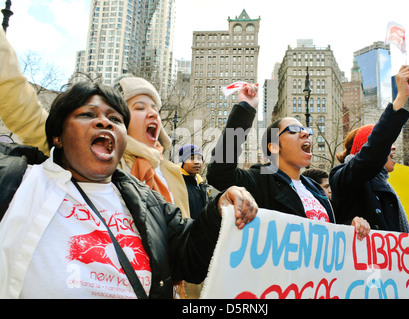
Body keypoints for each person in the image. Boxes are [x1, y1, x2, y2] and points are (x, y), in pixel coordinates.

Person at [0, 81, 258, 299]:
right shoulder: (20, 180)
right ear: (58, 135)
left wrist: (216, 211)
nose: (104, 122)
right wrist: (243, 110)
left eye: (114, 118)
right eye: (139, 107)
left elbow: (187, 251)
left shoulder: (165, 181)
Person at [0, 29, 191, 219]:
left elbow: (185, 237)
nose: (152, 114)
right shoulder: (83, 155)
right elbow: (21, 105)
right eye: (139, 108)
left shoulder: (172, 172)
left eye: (155, 109)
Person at [206, 83, 370, 240]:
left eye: (306, 131)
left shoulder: (314, 188)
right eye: (293, 130)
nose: (306, 134)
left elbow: (329, 232)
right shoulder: (262, 180)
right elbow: (219, 174)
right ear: (275, 147)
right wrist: (245, 108)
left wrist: (351, 227)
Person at [329, 65, 409, 233]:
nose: (393, 148)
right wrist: (401, 98)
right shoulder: (344, 177)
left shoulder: (383, 184)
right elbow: (371, 156)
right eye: (388, 144)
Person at [178, 144, 212, 220]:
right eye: (191, 158)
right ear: (182, 162)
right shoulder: (178, 183)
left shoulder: (201, 184)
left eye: (199, 158)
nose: (197, 162)